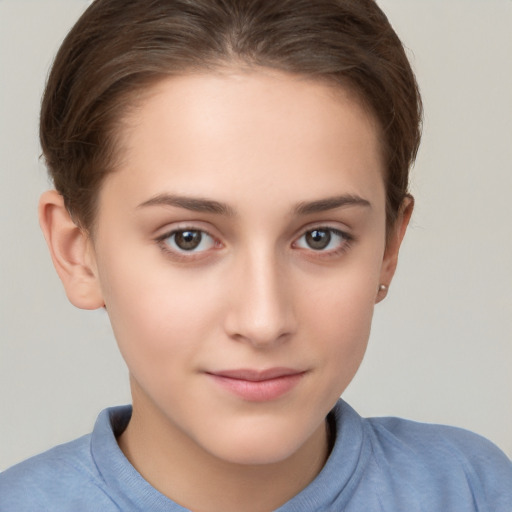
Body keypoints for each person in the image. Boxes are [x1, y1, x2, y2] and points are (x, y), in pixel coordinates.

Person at [1, 0, 511, 510]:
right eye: (188, 238)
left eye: (320, 237)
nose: (263, 322)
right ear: (77, 253)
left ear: (387, 248)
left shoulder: (474, 490)